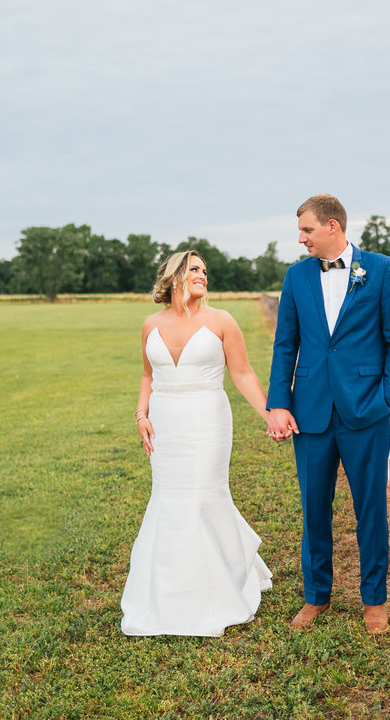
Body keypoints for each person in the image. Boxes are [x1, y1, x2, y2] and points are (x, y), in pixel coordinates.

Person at [266, 194, 390, 634]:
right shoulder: (296, 277)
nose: (301, 238)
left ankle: (374, 601)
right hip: (310, 412)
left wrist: (387, 397)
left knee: (371, 508)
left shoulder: (381, 270)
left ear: (333, 226)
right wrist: (279, 403)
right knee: (314, 509)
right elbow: (285, 345)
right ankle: (317, 597)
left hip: (365, 410)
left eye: (307, 230)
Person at [121, 249, 274, 637]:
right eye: (194, 269)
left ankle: (216, 589)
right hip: (165, 425)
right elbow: (146, 375)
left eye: (205, 270)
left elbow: (241, 373)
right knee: (168, 498)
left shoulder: (221, 321)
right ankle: (166, 594)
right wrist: (141, 415)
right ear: (174, 276)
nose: (203, 274)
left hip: (208, 420)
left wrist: (270, 414)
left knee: (203, 496)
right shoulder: (149, 324)